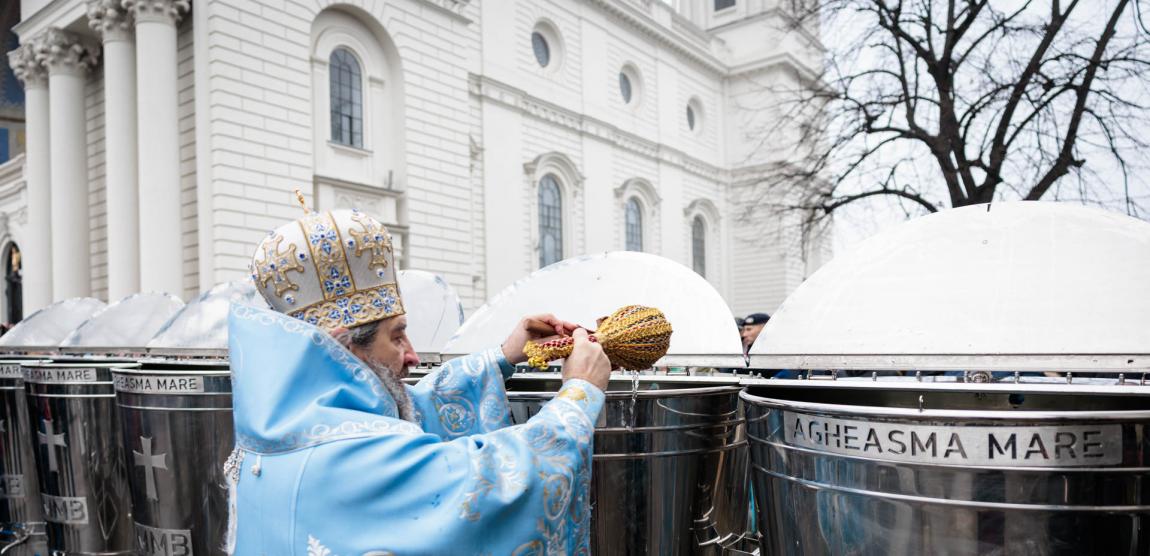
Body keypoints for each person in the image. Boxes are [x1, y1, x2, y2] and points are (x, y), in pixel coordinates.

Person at [225, 207, 612, 555]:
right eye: (396, 336)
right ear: (345, 347)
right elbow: (494, 486)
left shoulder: (280, 426)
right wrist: (578, 394)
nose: (412, 355)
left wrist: (502, 356)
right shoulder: (354, 457)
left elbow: (407, 408)